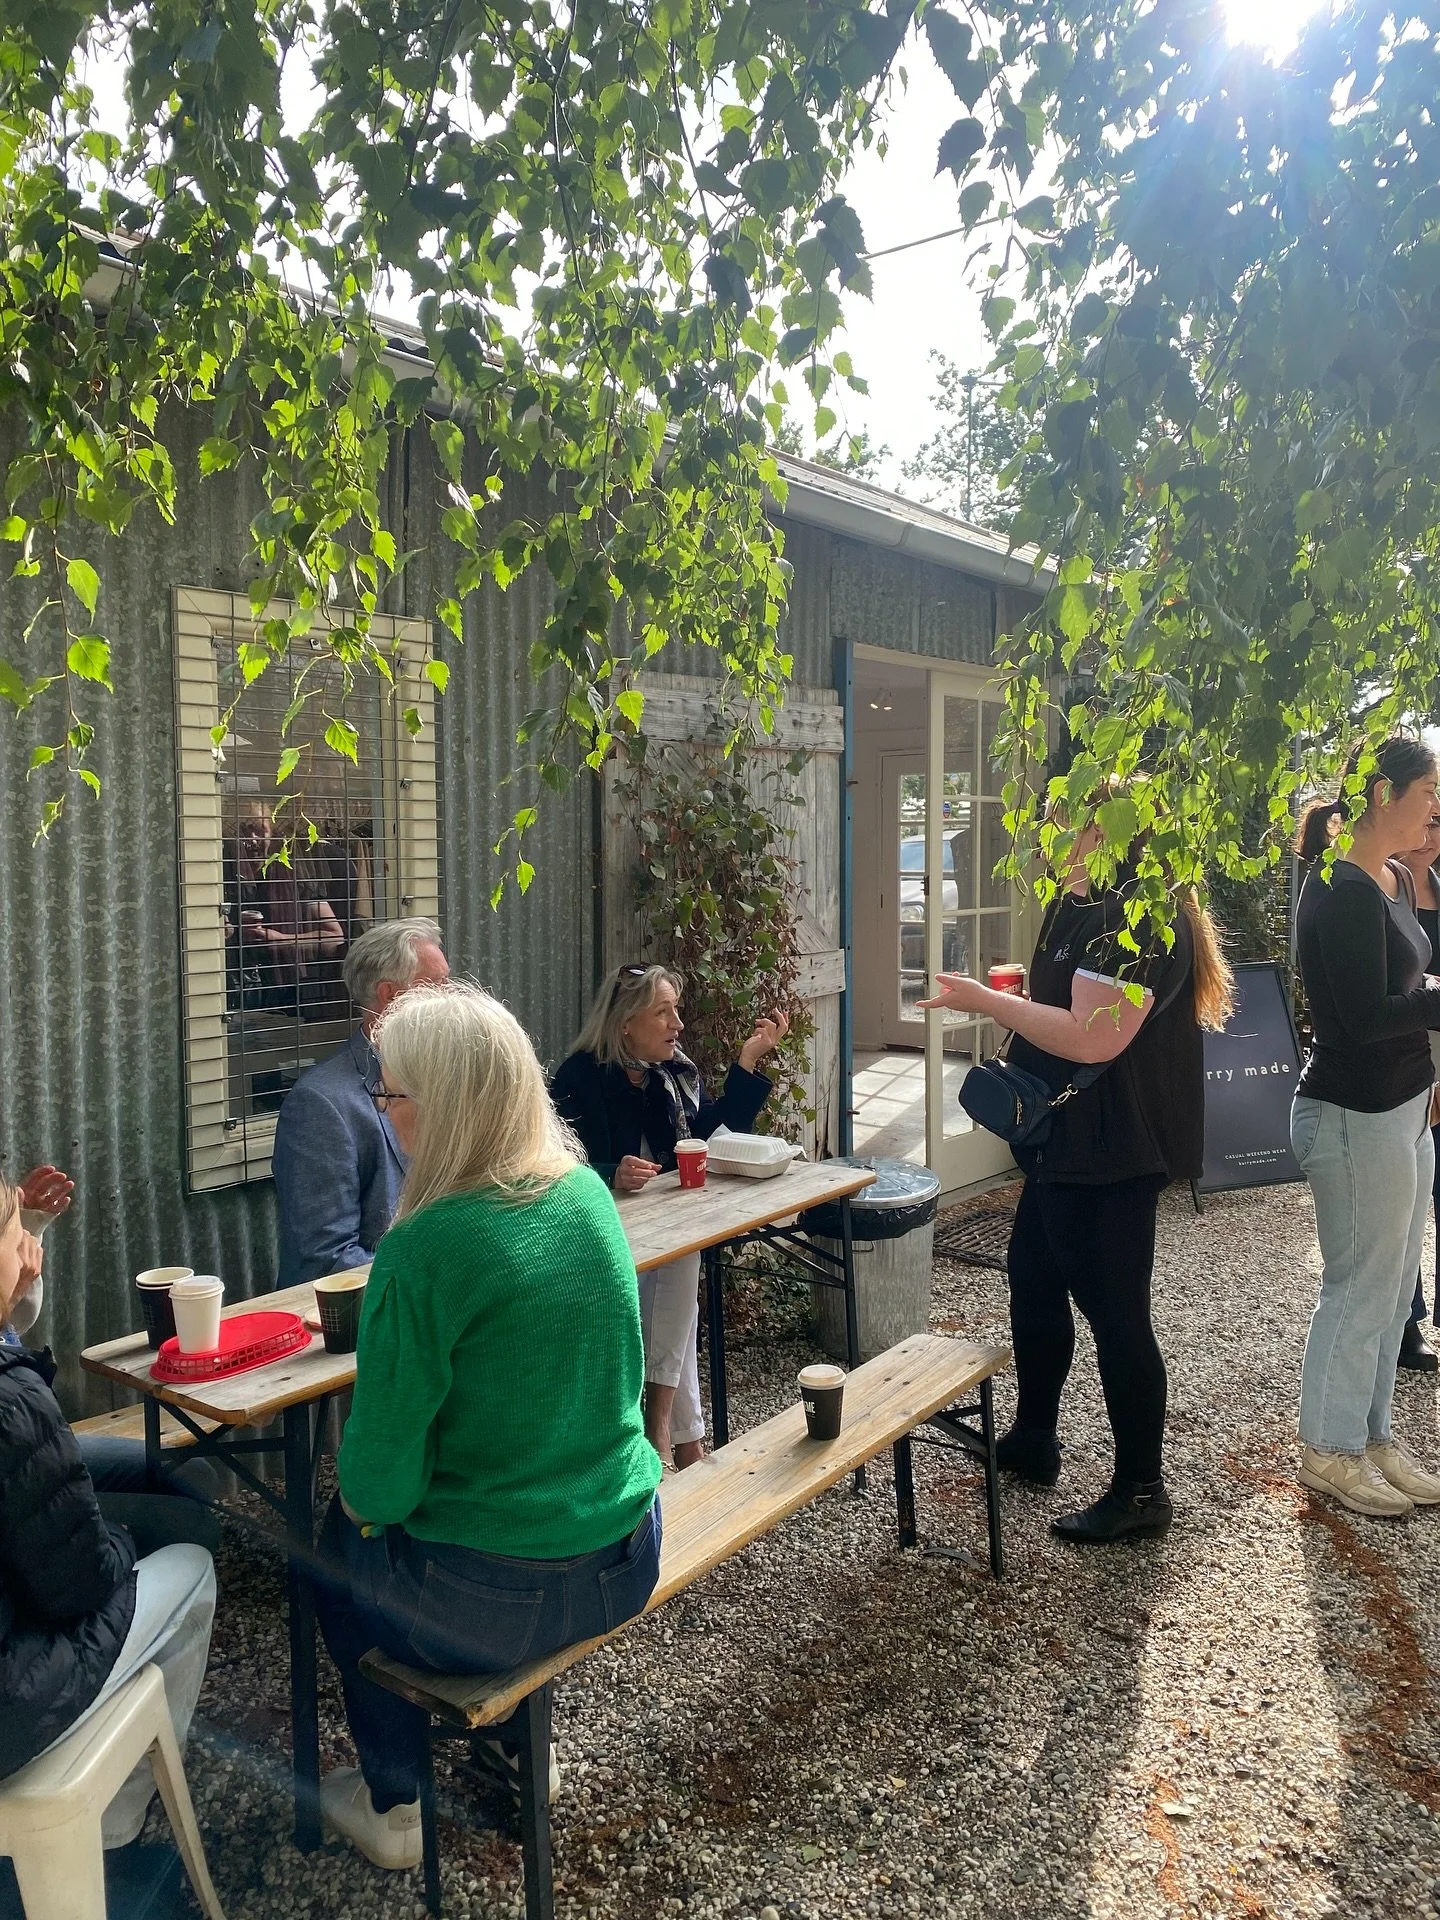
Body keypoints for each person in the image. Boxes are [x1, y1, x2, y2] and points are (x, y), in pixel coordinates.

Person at [314, 984, 662, 1871]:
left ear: (442, 1106)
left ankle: (396, 1803)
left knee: (328, 1551)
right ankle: (517, 1751)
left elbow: (378, 1487)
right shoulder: (586, 1196)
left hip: (491, 1604)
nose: (383, 1111)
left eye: (391, 1093)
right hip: (626, 1553)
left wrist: (362, 1501)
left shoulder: (424, 1249)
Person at [920, 784, 1233, 1543]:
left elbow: (1093, 1036)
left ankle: (1142, 1490)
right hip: (1064, 1143)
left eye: (1065, 827)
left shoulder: (1139, 918)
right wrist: (1016, 997)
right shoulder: (1077, 903)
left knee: (1118, 1317)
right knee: (1032, 1278)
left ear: (1110, 832)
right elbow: (1064, 1007)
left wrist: (987, 1002)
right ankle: (1035, 1437)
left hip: (1112, 1151)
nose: (1050, 840)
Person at [0, 1175, 217, 1848]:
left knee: (177, 1475)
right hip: (14, 1697)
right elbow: (82, 1582)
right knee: (193, 1557)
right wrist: (118, 1536)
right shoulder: (10, 1398)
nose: (26, 1245)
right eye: (12, 1232)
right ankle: (119, 1813)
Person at [552, 965, 790, 1468]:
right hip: (596, 1232)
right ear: (625, 1023)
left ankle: (673, 1435)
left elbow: (708, 1136)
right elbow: (553, 1165)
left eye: (676, 1010)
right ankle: (678, 1437)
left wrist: (747, 1062)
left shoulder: (670, 1075)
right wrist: (611, 1172)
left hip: (661, 1227)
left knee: (681, 1262)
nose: (678, 1024)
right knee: (679, 1275)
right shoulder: (578, 1078)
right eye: (664, 1012)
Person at [1291, 737, 1440, 1516]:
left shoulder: (1393, 877)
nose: (1436, 809)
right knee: (1359, 1287)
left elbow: (1403, 988)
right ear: (1384, 793)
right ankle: (1329, 1449)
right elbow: (1360, 1020)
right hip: (1355, 1115)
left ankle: (1371, 1435)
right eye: (1428, 793)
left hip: (1404, 1108)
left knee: (1392, 1286)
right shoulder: (1343, 888)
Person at [271, 917, 449, 1287]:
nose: (452, 1000)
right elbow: (327, 1260)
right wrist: (438, 1283)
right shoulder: (321, 1102)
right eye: (438, 986)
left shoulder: (445, 1077)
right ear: (392, 995)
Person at [1394, 811, 1440, 1373]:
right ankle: (1406, 1321)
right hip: (1402, 1059)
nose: (1429, 836)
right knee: (1404, 1202)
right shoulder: (1382, 894)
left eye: (1439, 822)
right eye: (1423, 820)